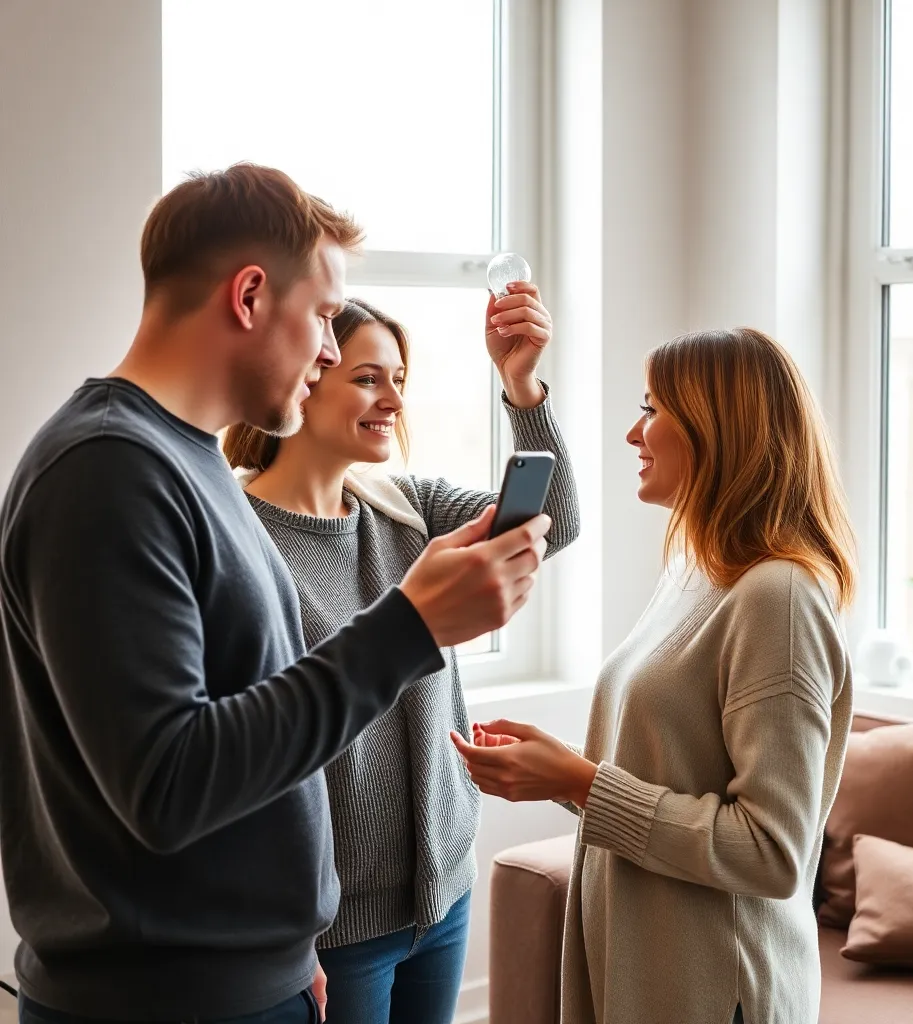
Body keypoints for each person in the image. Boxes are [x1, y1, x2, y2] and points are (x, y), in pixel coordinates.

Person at [0, 164, 550, 1024]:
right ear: (251, 295)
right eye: (327, 316)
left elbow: (250, 721)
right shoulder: (106, 472)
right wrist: (409, 626)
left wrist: (290, 944)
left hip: (257, 978)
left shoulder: (187, 462)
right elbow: (170, 783)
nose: (333, 350)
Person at [454, 328, 856, 1024]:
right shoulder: (697, 570)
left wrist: (577, 780)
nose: (635, 434)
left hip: (713, 990)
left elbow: (771, 852)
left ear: (716, 428)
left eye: (653, 408)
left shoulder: (778, 597)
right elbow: (672, 773)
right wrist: (559, 770)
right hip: (646, 967)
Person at [221, 285, 579, 1023]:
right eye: (367, 377)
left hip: (443, 894)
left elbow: (558, 521)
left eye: (400, 381)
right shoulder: (237, 533)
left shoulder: (406, 504)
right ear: (307, 374)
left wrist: (522, 387)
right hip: (332, 925)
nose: (392, 399)